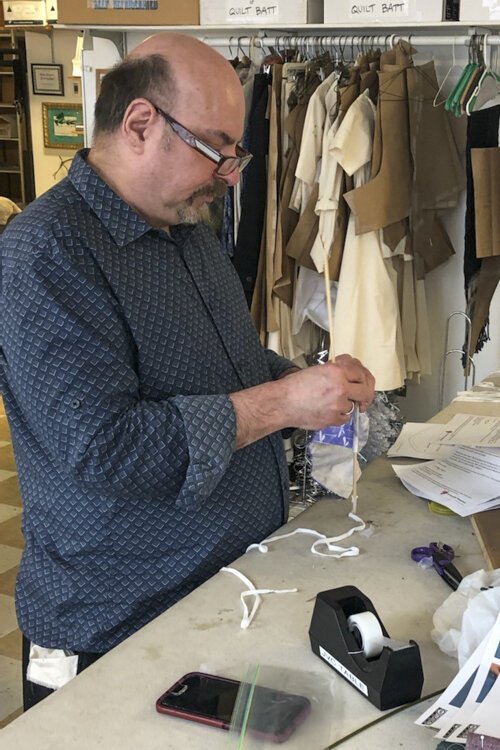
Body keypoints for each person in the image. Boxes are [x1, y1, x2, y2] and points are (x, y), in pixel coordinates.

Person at [0, 33, 375, 708]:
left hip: (225, 592)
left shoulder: (187, 231)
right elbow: (106, 446)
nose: (230, 174)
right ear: (141, 123)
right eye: (216, 148)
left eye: (237, 153)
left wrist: (313, 389)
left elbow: (229, 364)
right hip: (115, 630)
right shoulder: (44, 253)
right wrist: (281, 404)